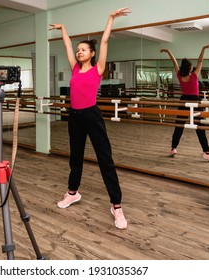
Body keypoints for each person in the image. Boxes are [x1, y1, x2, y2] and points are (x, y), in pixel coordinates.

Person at [49, 7, 130, 230]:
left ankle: (116, 205)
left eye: (83, 49)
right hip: (74, 116)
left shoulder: (98, 69)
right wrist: (63, 29)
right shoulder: (75, 69)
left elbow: (104, 42)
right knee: (75, 158)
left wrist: (111, 18)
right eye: (78, 50)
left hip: (92, 116)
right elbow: (66, 45)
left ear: (91, 53)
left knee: (105, 159)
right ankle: (72, 193)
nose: (79, 52)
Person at [160, 44, 209, 162]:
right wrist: (203, 48)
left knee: (179, 126)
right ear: (189, 68)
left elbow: (174, 62)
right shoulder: (194, 76)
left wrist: (169, 51)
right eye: (191, 67)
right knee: (199, 127)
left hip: (184, 100)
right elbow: (200, 61)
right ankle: (207, 152)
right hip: (195, 101)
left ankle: (173, 148)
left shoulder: (180, 75)